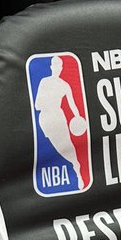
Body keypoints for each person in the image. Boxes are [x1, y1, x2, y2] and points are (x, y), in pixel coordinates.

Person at [34, 55, 85, 189]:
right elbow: (37, 105)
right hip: (45, 118)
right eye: (55, 65)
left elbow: (72, 104)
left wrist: (78, 117)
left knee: (66, 145)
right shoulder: (44, 82)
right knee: (51, 148)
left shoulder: (64, 85)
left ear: (61, 68)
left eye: (60, 66)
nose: (58, 68)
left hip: (58, 117)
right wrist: (47, 102)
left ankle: (77, 169)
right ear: (51, 67)